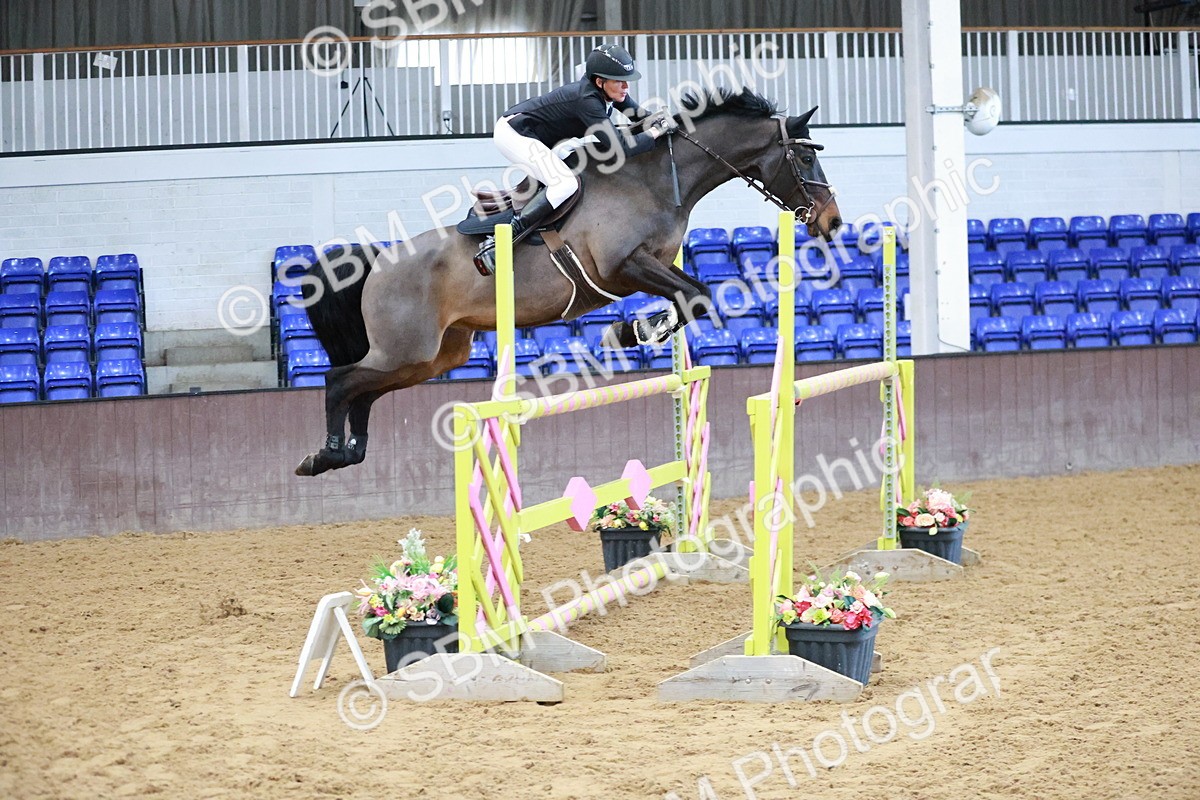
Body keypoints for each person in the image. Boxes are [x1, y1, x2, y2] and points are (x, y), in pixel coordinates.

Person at [473, 43, 677, 275]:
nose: (626, 86)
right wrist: (654, 133)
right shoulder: (587, 100)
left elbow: (638, 116)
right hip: (514, 134)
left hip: (541, 137)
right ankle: (503, 240)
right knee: (565, 183)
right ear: (600, 82)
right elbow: (620, 147)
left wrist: (663, 121)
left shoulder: (606, 91)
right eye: (620, 80)